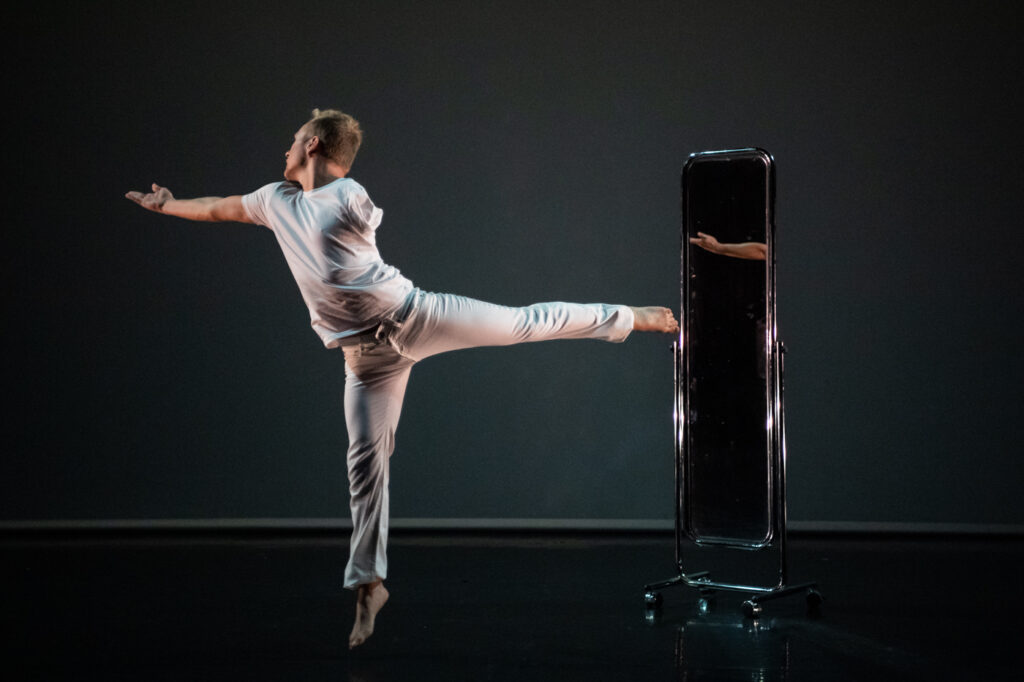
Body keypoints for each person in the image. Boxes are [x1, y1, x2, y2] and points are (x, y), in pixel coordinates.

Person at [126, 109, 679, 649]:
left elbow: (363, 213)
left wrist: (361, 215)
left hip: (415, 316)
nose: (285, 148)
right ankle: (369, 585)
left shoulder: (345, 195)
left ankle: (636, 316)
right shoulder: (275, 200)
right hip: (363, 359)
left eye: (294, 139)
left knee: (523, 323)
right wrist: (169, 205)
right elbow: (221, 209)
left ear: (314, 145)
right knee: (365, 462)